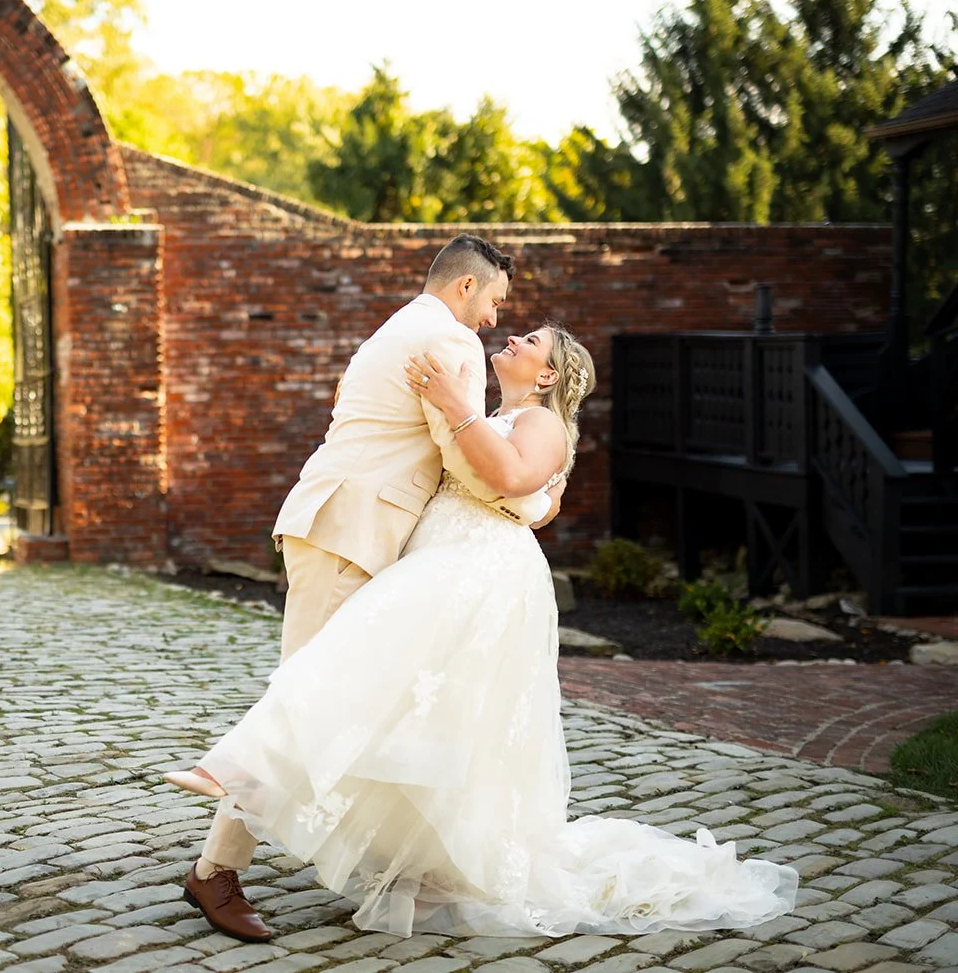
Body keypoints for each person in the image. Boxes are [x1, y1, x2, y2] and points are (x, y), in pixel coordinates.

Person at [166, 321, 798, 939]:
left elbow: (514, 482)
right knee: (408, 706)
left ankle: (247, 776)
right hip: (440, 559)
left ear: (547, 374)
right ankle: (334, 817)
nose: (514, 338)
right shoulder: (488, 415)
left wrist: (454, 405)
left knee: (373, 671)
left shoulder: (543, 422)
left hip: (477, 571)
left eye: (533, 343)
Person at [165, 234, 550, 942]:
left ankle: (386, 859)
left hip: (338, 522)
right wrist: (522, 498)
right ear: (466, 288)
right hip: (350, 530)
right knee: (307, 704)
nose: (495, 320)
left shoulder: (399, 325)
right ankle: (213, 870)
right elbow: (465, 462)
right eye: (495, 301)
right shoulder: (451, 346)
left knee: (332, 702)